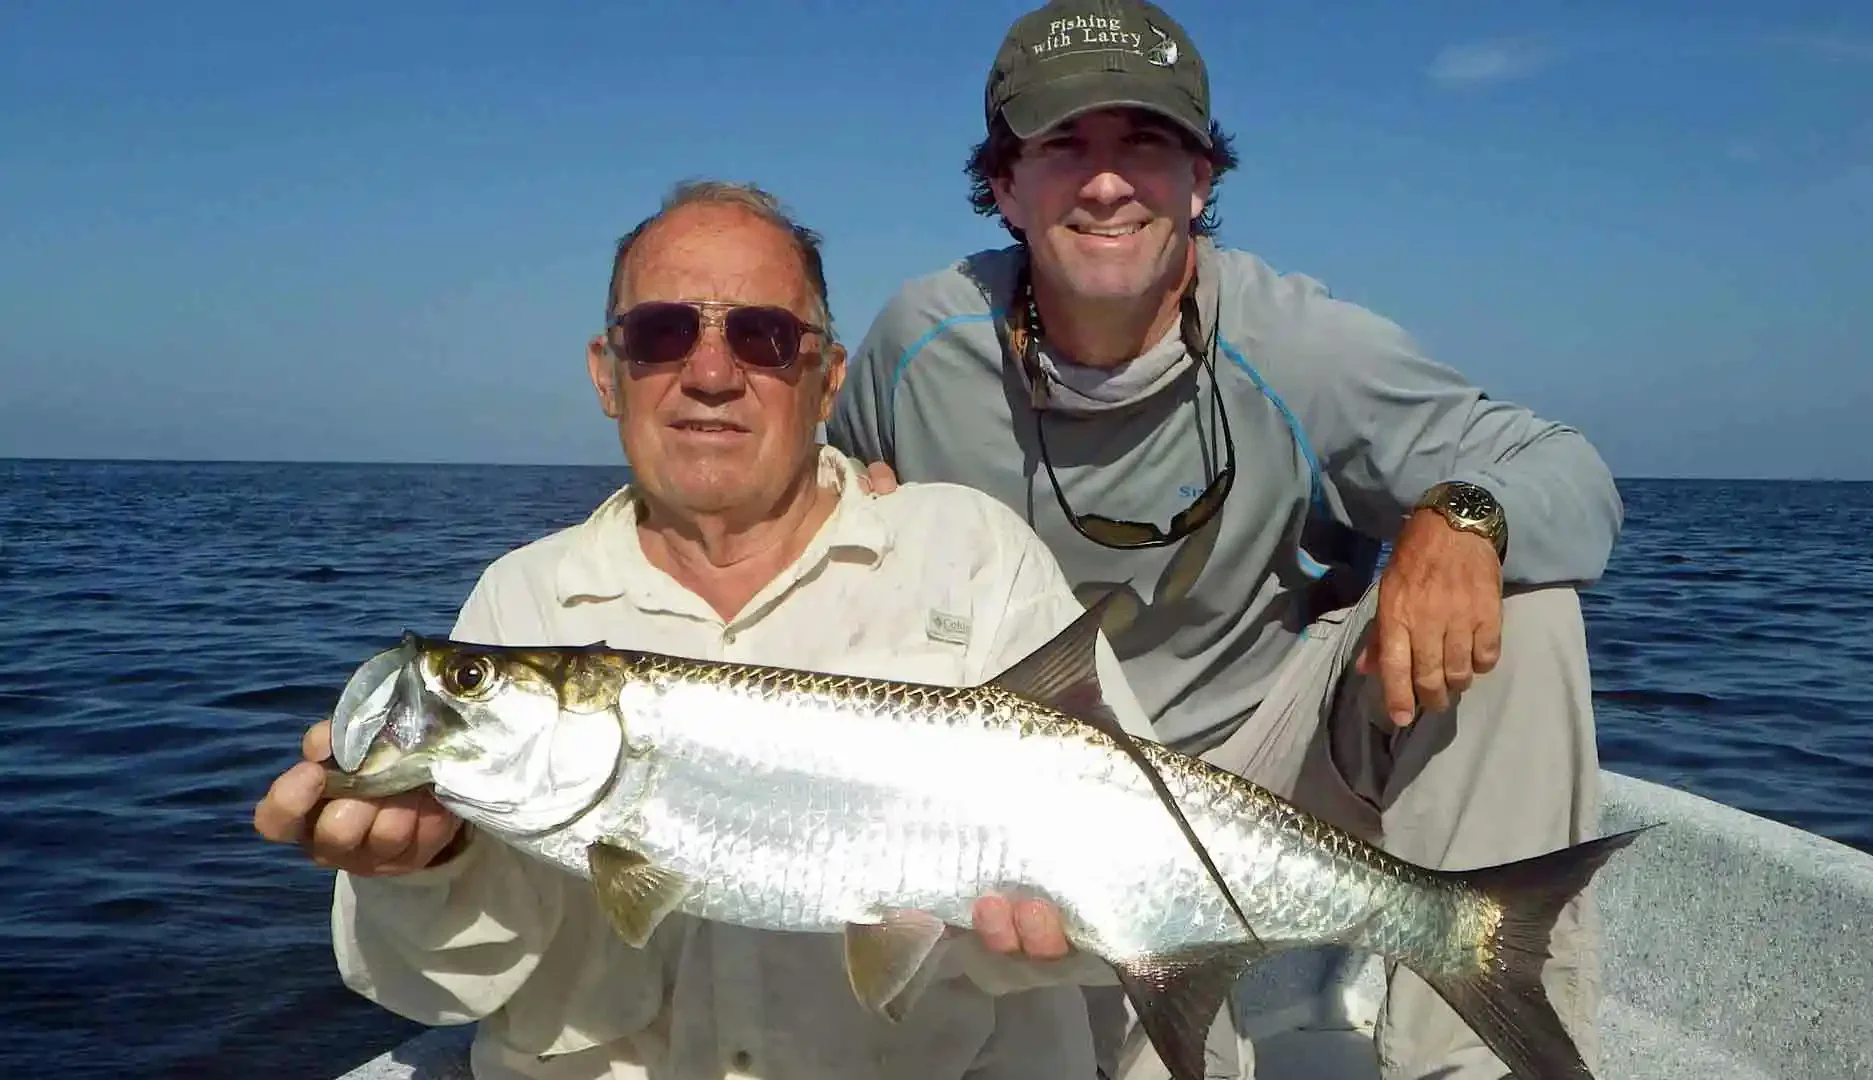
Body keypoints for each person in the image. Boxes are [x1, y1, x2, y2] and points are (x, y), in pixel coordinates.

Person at [824, 2, 1626, 1078]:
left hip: (1264, 754)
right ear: (1005, 187)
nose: (1106, 183)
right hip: (1017, 797)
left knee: (1522, 604)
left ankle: (1473, 1050)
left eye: (1145, 146)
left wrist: (1465, 516)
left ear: (1201, 182)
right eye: (1064, 146)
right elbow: (805, 509)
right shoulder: (916, 343)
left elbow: (1567, 473)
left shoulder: (1298, 343)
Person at [253, 180, 1158, 1080]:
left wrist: (1056, 930)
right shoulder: (524, 597)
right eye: (661, 334)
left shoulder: (973, 553)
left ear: (828, 378)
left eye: (763, 336)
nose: (713, 374)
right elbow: (434, 989)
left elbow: (1157, 869)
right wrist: (425, 869)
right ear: (608, 374)